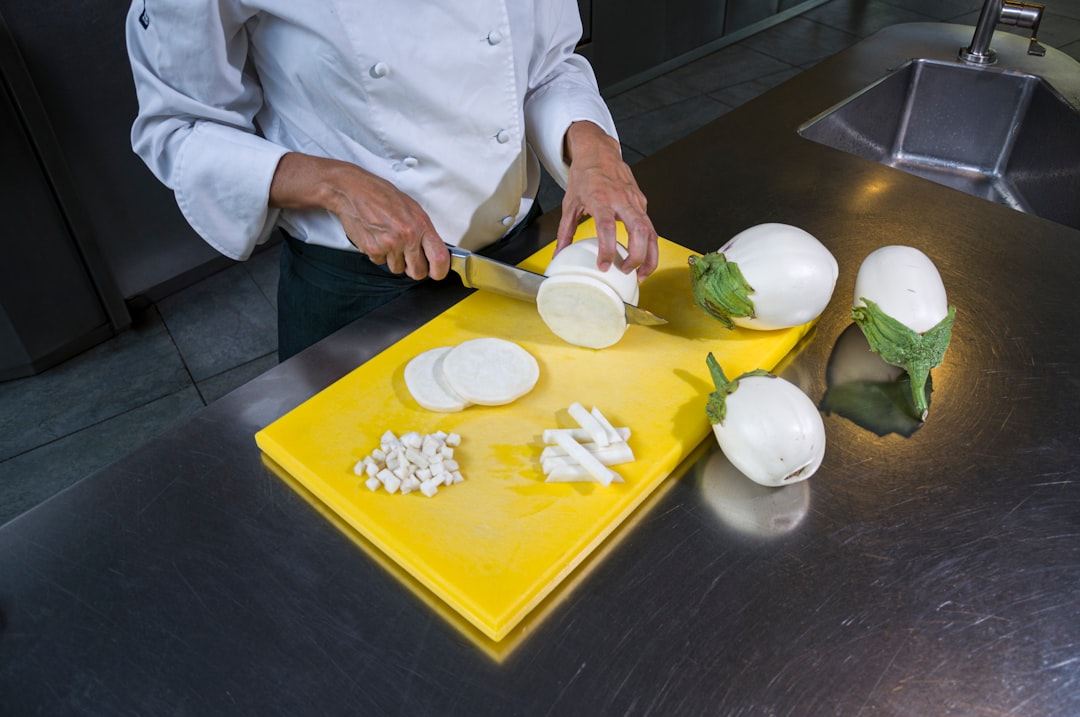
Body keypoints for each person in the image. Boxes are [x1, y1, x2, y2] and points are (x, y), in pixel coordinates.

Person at [126, 1, 658, 360]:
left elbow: (547, 65)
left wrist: (592, 149)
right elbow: (179, 125)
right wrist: (333, 184)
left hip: (519, 259)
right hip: (356, 291)